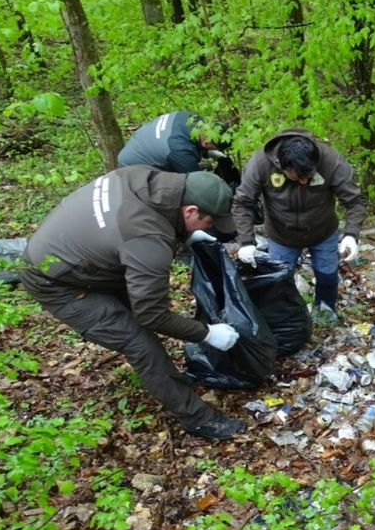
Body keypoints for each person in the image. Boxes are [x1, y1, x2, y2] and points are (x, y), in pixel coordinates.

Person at [19, 167, 246, 440]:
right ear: (190, 211)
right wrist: (207, 333)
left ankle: (168, 380)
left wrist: (185, 237)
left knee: (135, 311)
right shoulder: (148, 241)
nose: (211, 228)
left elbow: (146, 231)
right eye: (208, 223)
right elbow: (152, 316)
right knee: (140, 343)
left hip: (83, 256)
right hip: (56, 282)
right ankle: (197, 419)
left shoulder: (141, 177)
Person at [231, 129, 367, 312]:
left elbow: (355, 201)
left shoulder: (331, 161)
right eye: (297, 177)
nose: (304, 182)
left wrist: (351, 234)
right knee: (280, 279)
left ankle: (325, 310)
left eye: (308, 176)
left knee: (327, 275)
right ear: (281, 165)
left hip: (323, 230)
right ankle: (287, 315)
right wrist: (247, 241)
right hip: (281, 234)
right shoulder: (260, 164)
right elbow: (242, 203)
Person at [117, 111, 231, 175]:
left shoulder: (191, 118)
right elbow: (194, 184)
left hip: (139, 146)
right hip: (134, 169)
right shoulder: (180, 150)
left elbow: (195, 142)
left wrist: (212, 155)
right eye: (214, 148)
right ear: (207, 144)